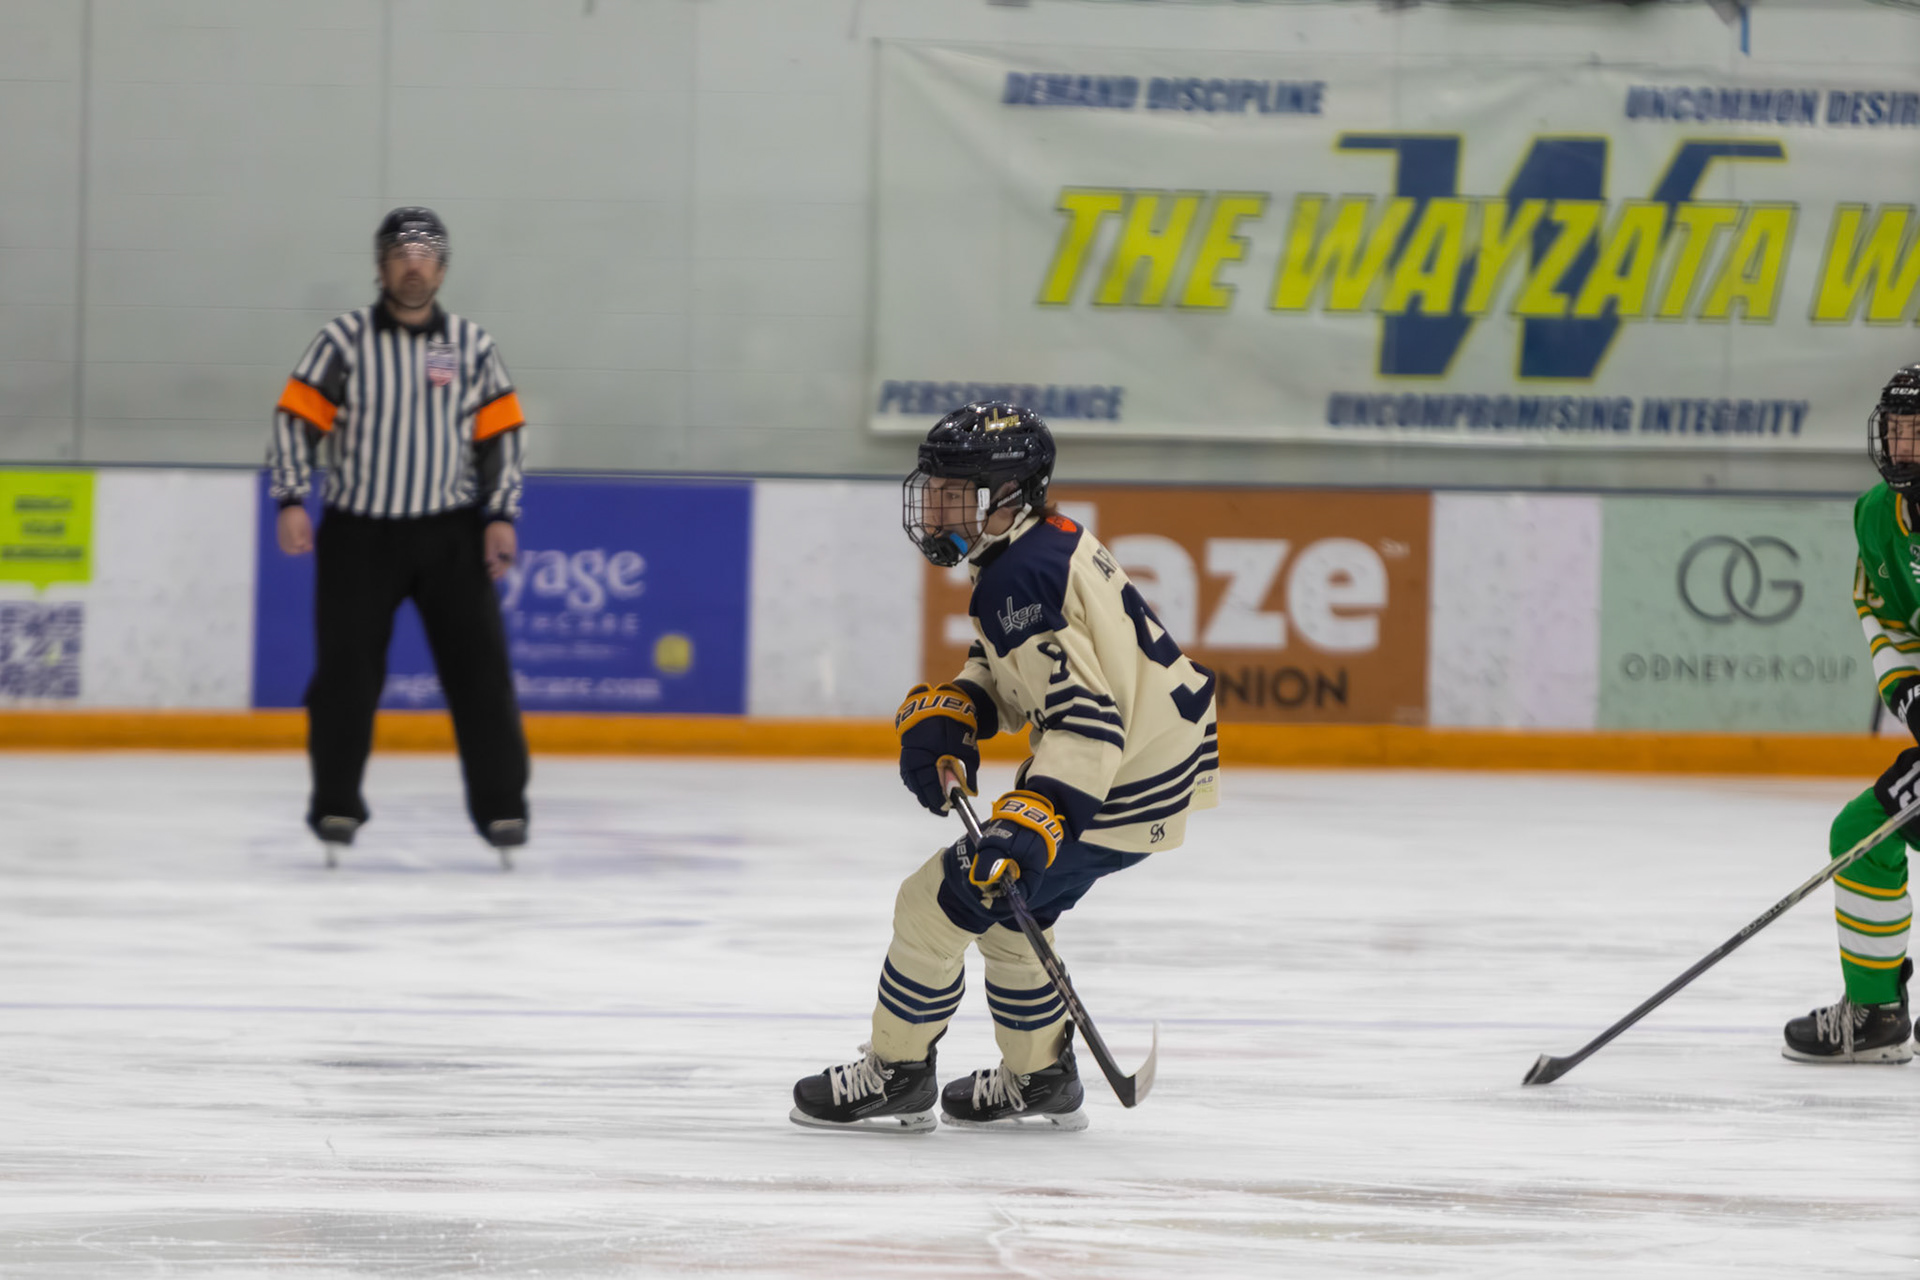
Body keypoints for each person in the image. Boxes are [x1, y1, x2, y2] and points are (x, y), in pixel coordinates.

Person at [790, 402, 1219, 1131]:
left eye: (955, 491)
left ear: (1007, 495)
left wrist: (1037, 819)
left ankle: (897, 1072)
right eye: (933, 489)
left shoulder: (1018, 575)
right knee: (1010, 917)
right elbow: (1025, 671)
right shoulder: (1036, 546)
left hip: (1116, 782)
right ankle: (1040, 1076)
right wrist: (962, 707)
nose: (935, 507)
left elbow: (1087, 720)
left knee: (934, 902)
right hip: (1149, 768)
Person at [267, 206, 531, 869]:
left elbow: (501, 435)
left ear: (442, 269)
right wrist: (291, 497)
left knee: (481, 676)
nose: (414, 265)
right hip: (360, 537)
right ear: (381, 267)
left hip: (449, 536)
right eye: (401, 254)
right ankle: (336, 804)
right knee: (345, 681)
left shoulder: (471, 346)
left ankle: (502, 807)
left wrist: (500, 513)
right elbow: (296, 419)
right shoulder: (343, 341)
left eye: (426, 255)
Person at [1781, 365, 1920, 1062]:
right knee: (1864, 831)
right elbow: (1884, 614)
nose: (1903, 447)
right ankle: (1876, 1016)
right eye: (1897, 430)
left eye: (1919, 433)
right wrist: (1911, 692)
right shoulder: (1876, 516)